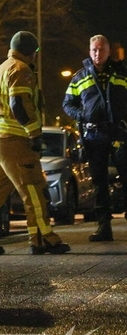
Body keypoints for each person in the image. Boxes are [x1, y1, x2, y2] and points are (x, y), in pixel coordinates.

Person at [0, 31, 71, 254]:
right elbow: (19, 105)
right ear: (31, 51)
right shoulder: (21, 70)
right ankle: (42, 238)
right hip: (15, 140)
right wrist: (34, 134)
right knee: (33, 188)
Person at [62, 34, 127, 241]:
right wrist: (82, 115)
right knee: (99, 181)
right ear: (90, 52)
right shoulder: (80, 77)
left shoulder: (121, 73)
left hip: (119, 132)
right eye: (94, 50)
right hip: (94, 135)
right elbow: (67, 104)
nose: (98, 53)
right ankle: (103, 227)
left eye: (101, 49)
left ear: (109, 52)